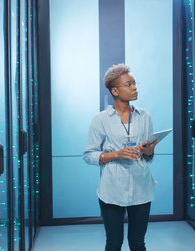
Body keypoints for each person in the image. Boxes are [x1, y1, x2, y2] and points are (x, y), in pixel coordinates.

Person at [82, 63, 159, 251]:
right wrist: (117, 153)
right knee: (114, 243)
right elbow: (88, 155)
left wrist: (148, 150)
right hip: (112, 190)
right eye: (129, 85)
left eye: (134, 83)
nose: (134, 88)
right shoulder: (101, 119)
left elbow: (148, 156)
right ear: (115, 91)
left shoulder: (144, 116)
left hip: (141, 187)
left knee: (138, 244)